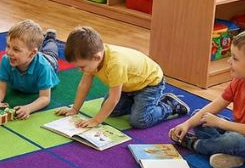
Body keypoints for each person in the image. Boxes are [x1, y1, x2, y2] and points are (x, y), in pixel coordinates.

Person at [169, 29, 245, 168]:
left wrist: (220, 123)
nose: (228, 61)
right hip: (240, 133)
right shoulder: (239, 80)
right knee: (201, 116)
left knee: (232, 139)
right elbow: (216, 105)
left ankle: (196, 145)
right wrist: (187, 124)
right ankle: (229, 154)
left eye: (235, 58)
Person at [55, 25, 189, 129]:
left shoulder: (115, 64)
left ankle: (169, 104)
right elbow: (84, 85)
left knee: (139, 121)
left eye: (82, 67)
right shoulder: (92, 59)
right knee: (111, 112)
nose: (79, 70)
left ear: (97, 57)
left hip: (149, 83)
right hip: (128, 85)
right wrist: (74, 109)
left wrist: (96, 120)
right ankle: (137, 102)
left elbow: (114, 98)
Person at [0, 20, 60, 119]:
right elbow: (0, 88)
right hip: (34, 57)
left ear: (32, 53)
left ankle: (50, 38)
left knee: (51, 51)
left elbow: (45, 98)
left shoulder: (43, 67)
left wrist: (28, 108)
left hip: (50, 62)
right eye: (8, 46)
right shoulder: (6, 60)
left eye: (16, 49)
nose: (9, 52)